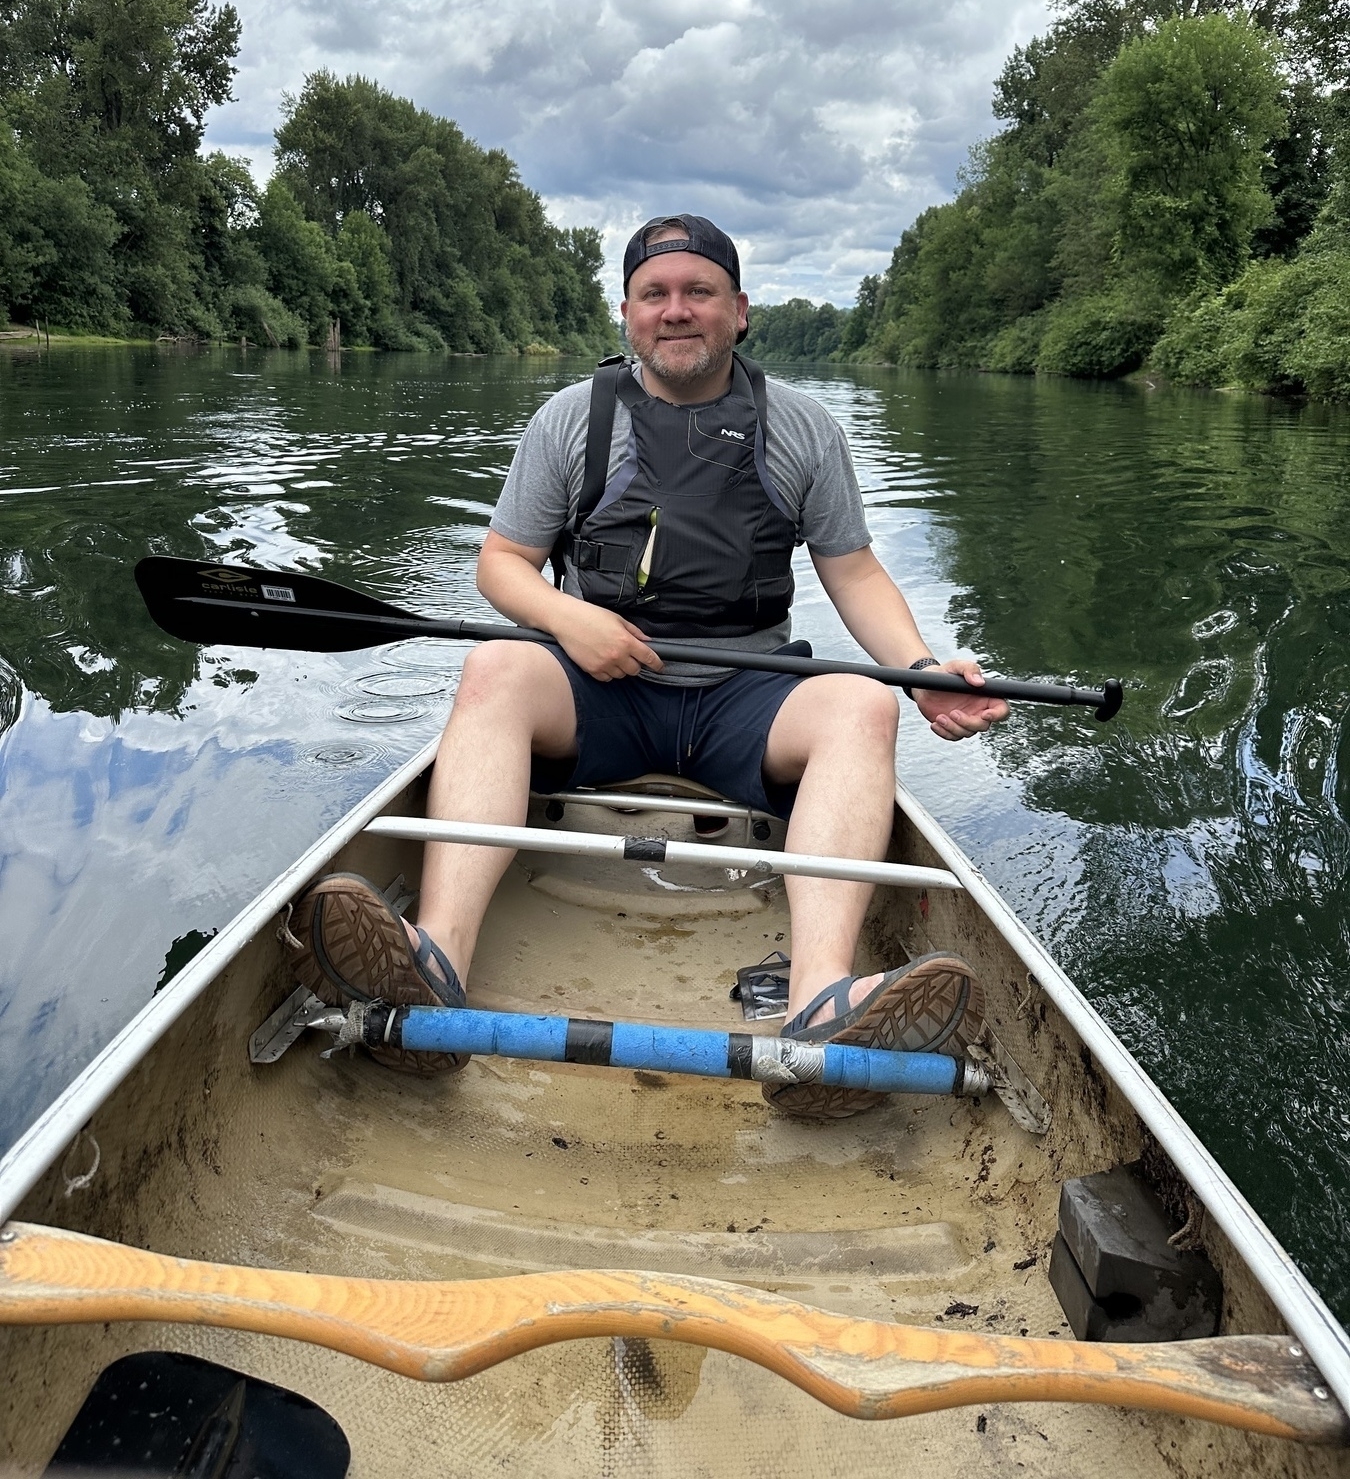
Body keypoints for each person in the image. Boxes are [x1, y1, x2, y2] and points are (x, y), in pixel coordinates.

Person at [292, 214, 1007, 1116]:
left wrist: (919, 667)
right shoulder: (572, 420)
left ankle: (820, 1003)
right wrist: (569, 620)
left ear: (739, 312)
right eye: (655, 295)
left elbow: (853, 569)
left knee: (865, 706)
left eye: (698, 293)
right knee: (495, 674)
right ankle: (434, 960)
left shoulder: (801, 428)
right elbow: (501, 565)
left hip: (743, 695)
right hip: (598, 690)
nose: (677, 312)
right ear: (627, 314)